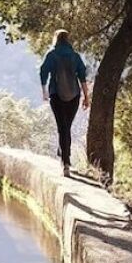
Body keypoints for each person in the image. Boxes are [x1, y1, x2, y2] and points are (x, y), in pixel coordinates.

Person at [40, 29, 89, 177]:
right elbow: (82, 77)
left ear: (56, 39)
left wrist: (44, 91)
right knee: (66, 126)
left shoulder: (52, 55)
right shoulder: (75, 56)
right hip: (74, 96)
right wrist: (87, 97)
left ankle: (65, 162)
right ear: (68, 40)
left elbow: (43, 71)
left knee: (62, 127)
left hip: (56, 94)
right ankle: (64, 153)